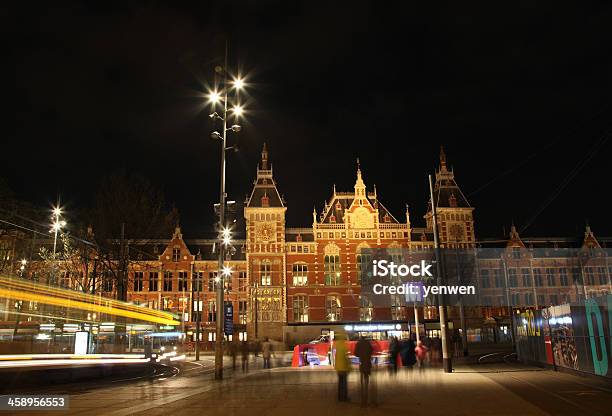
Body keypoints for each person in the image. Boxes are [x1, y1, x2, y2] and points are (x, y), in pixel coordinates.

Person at [354, 336, 373, 407]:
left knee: (362, 377)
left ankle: (363, 398)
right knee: (366, 376)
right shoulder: (368, 343)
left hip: (362, 362)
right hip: (368, 362)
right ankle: (367, 390)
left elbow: (355, 353)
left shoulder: (358, 343)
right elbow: (371, 350)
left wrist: (360, 354)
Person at [333, 333, 350, 402]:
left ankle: (340, 397)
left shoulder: (336, 345)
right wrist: (349, 367)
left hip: (338, 367)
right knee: (344, 384)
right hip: (343, 367)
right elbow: (346, 358)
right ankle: (344, 397)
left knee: (340, 383)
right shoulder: (344, 346)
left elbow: (336, 357)